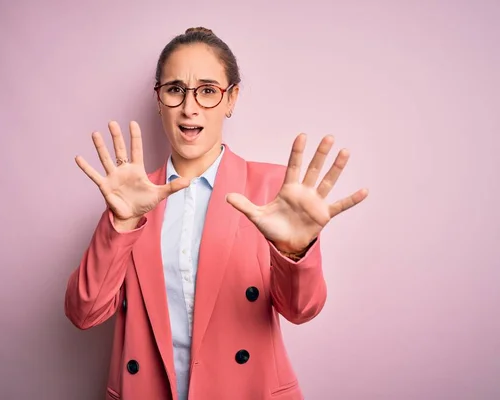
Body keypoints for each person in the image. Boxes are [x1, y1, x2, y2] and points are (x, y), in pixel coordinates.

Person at [65, 26, 368, 400]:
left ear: (231, 99)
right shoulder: (134, 198)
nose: (190, 107)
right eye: (175, 89)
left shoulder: (273, 191)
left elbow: (301, 310)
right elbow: (84, 313)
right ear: (159, 99)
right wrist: (121, 224)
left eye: (208, 91)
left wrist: (294, 252)